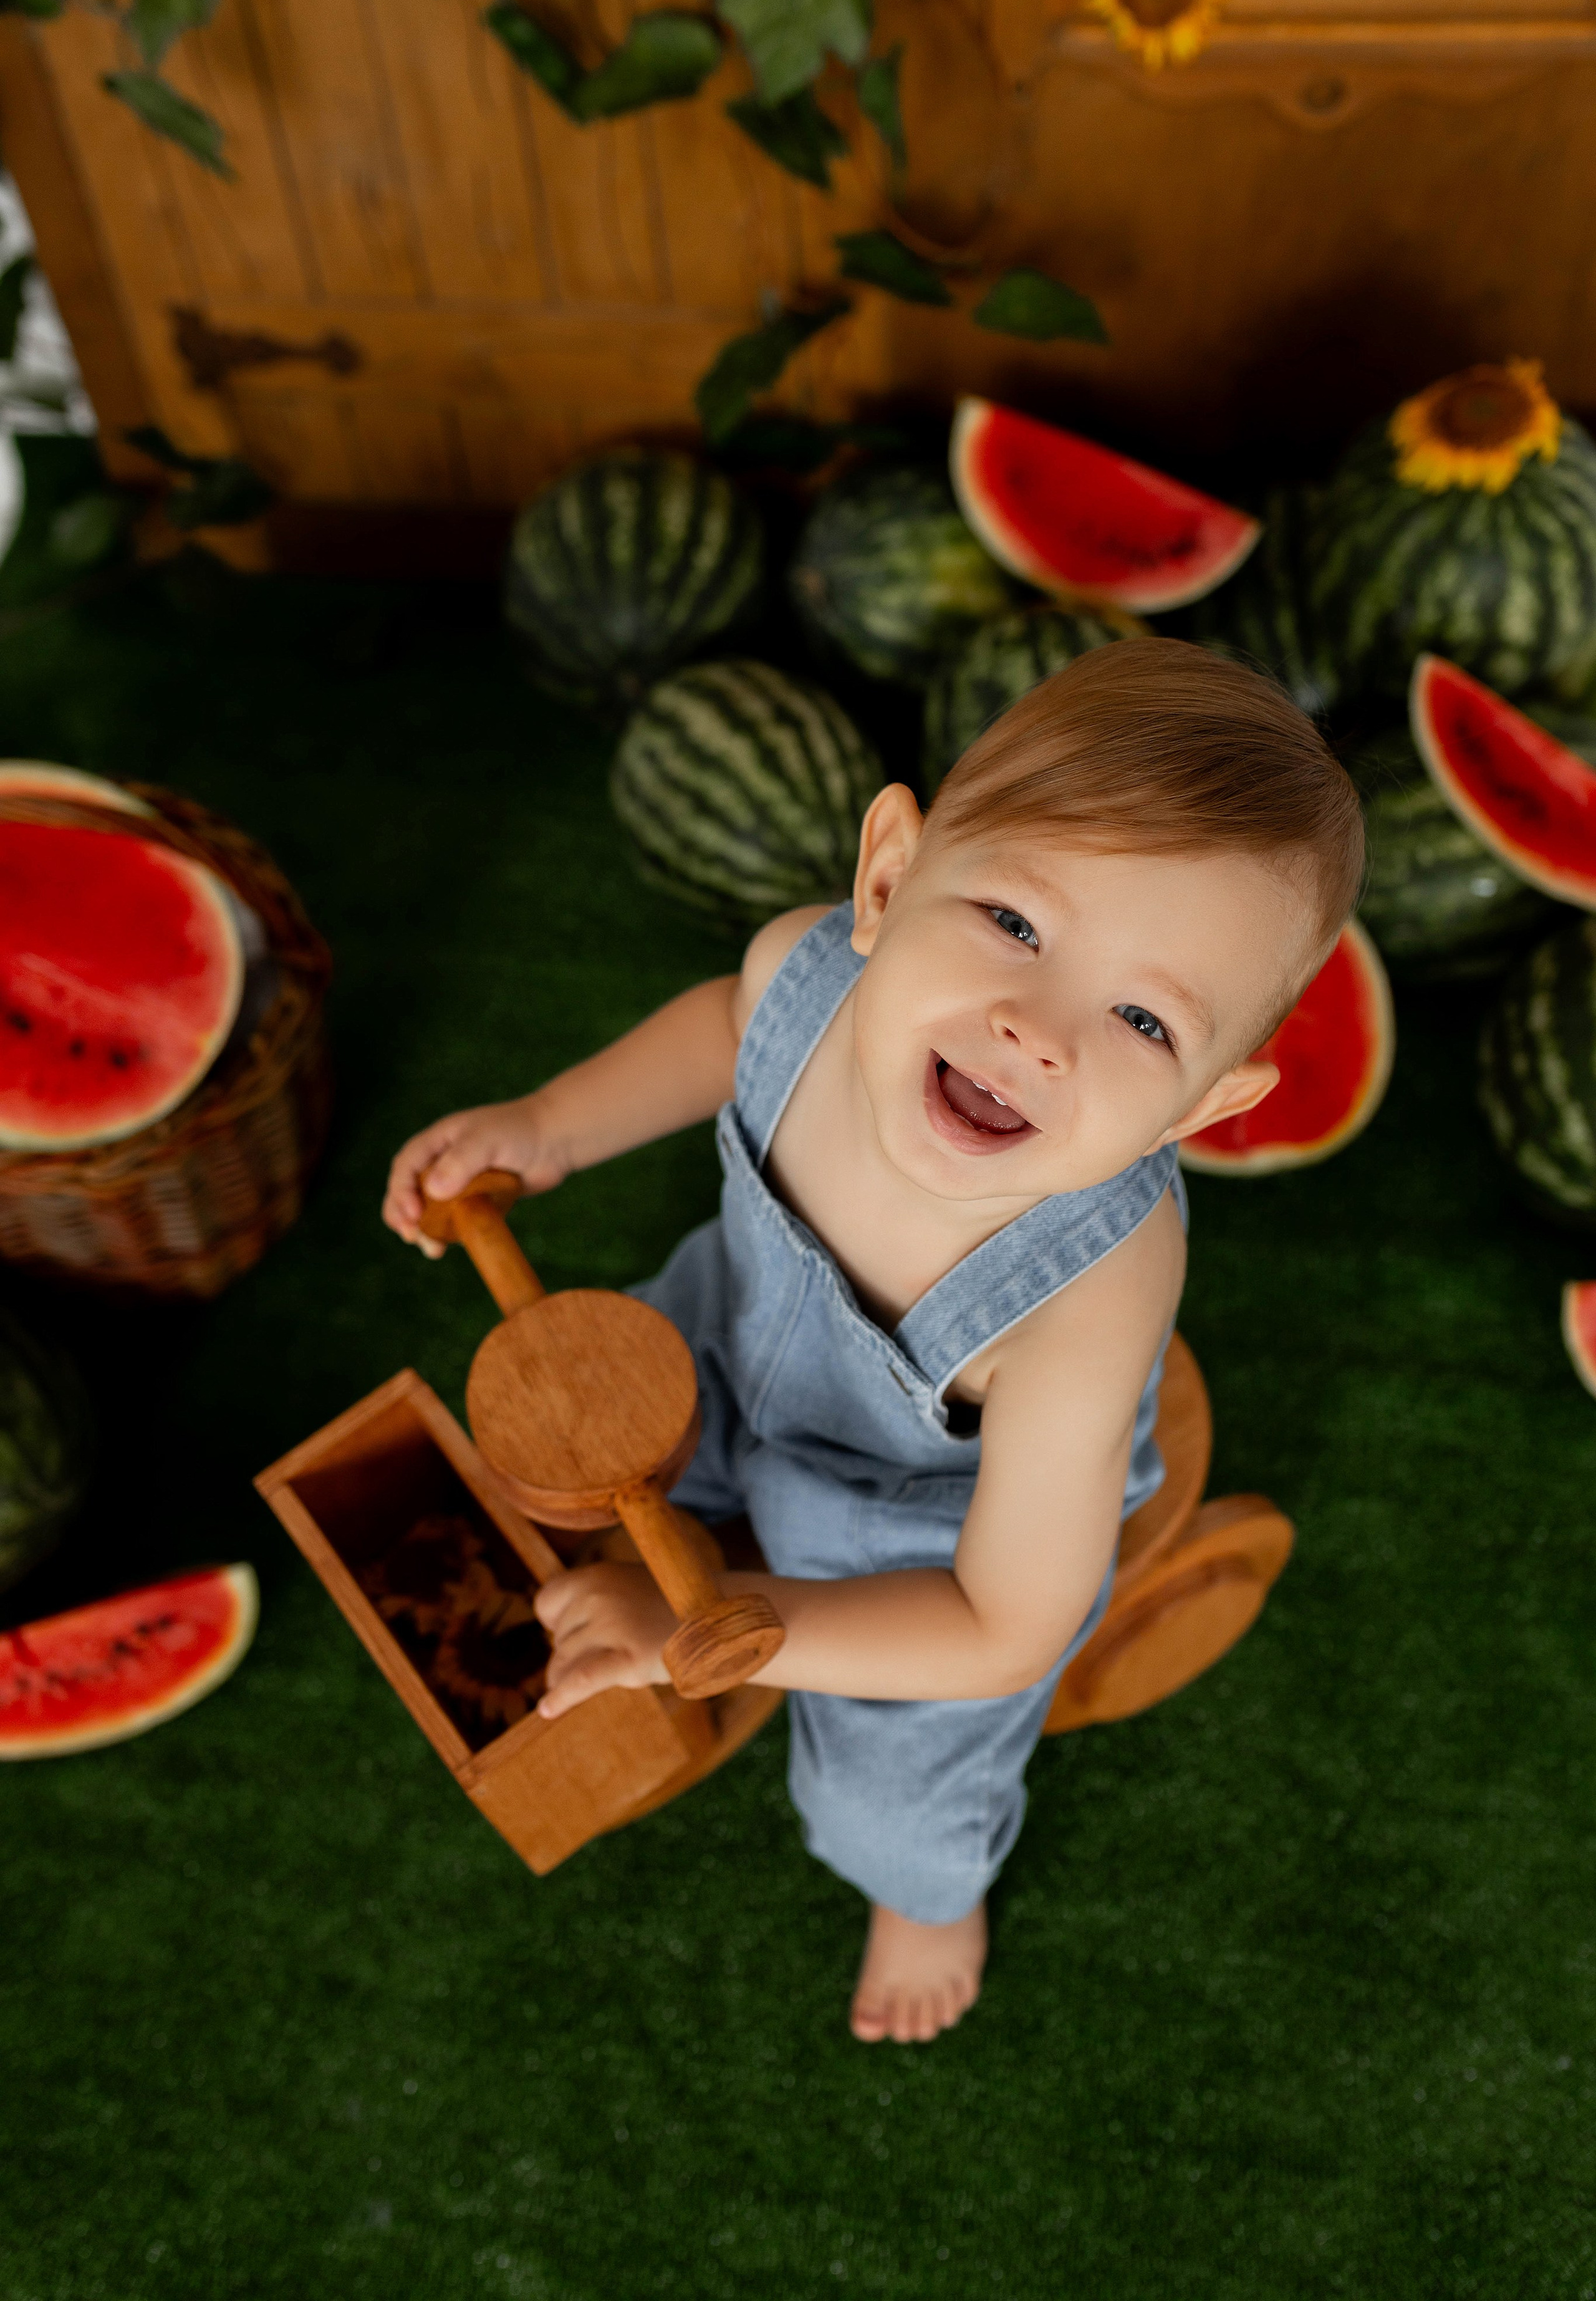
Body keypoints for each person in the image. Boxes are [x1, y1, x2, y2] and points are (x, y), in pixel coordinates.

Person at [384, 636, 1364, 2045]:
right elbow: (730, 1029)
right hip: (722, 1343)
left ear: (1204, 1108)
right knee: (561, 1442)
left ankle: (926, 1887)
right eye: (1015, 926)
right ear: (889, 877)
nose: (1036, 1032)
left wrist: (716, 1629)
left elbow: (998, 1624)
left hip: (918, 1534)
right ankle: (671, 1555)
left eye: (1145, 1020)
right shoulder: (805, 972)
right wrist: (546, 1128)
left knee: (890, 1784)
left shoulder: (1089, 1297)